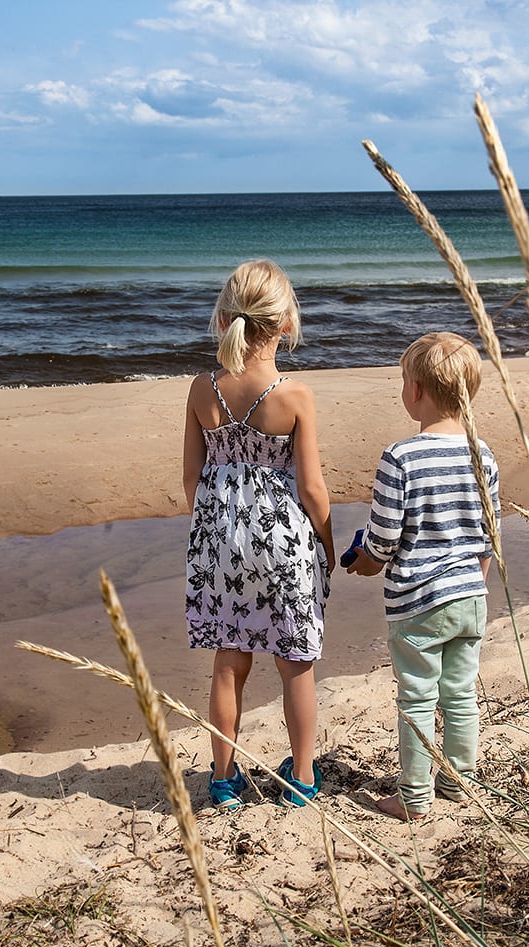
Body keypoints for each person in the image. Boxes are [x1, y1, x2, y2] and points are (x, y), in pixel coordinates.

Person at [184, 259, 336, 811]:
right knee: (296, 662)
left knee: (230, 660)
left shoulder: (203, 388)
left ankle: (223, 778)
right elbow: (313, 487)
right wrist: (325, 538)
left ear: (224, 318)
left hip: (220, 540)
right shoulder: (294, 396)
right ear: (287, 325)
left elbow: (191, 478)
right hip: (284, 543)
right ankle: (300, 777)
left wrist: (218, 529)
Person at [345, 332, 499, 821]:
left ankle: (414, 797)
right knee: (461, 694)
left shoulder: (402, 457)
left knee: (416, 697)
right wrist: (477, 582)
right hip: (470, 596)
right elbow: (489, 533)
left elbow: (384, 538)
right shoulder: (484, 454)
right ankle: (459, 784)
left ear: (414, 391)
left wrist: (365, 561)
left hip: (418, 601)